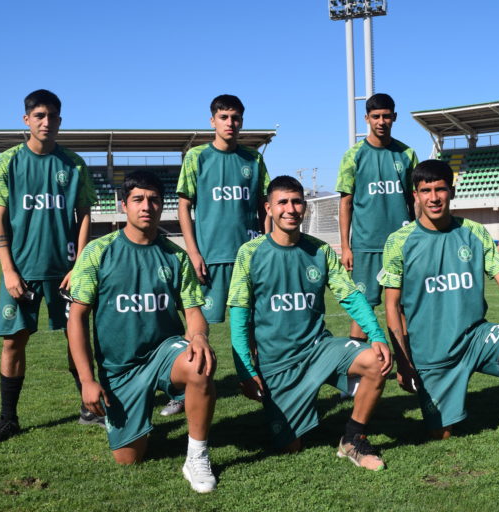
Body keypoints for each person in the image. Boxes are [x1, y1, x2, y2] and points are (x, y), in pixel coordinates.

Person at [379, 159, 499, 464]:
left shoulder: (475, 232)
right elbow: (392, 306)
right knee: (441, 436)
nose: (434, 197)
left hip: (475, 336)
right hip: (432, 352)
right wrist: (404, 362)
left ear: (451, 191)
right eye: (426, 191)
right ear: (415, 196)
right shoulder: (399, 242)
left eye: (440, 189)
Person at [67, 170, 218, 493]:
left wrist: (200, 336)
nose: (146, 206)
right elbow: (76, 319)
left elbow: (193, 312)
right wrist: (87, 380)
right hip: (120, 370)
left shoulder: (175, 255)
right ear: (124, 206)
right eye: (137, 199)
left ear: (162, 206)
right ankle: (137, 416)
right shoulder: (98, 252)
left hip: (165, 353)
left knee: (200, 363)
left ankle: (197, 456)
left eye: (153, 200)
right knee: (128, 459)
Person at [227, 175, 391, 470]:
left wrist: (376, 335)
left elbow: (351, 296)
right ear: (268, 208)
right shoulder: (249, 254)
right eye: (283, 202)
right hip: (278, 364)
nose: (290, 209)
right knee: (290, 448)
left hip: (319, 349)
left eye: (296, 201)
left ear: (305, 207)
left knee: (375, 361)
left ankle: (352, 439)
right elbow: (239, 318)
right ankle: (296, 407)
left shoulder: (320, 251)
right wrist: (245, 372)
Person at [0, 89, 101, 446]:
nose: (46, 123)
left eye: (53, 117)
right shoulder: (8, 162)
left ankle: (89, 407)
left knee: (75, 337)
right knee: (13, 343)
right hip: (22, 269)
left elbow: (84, 214)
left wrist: (79, 264)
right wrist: (8, 270)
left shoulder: (74, 164)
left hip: (65, 271)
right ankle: (8, 419)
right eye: (39, 116)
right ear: (27, 120)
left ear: (60, 121)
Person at [167, 94, 270, 416]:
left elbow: (265, 204)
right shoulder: (197, 157)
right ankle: (184, 391)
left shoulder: (253, 159)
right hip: (210, 258)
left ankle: (260, 381)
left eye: (236, 117)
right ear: (212, 121)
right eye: (224, 117)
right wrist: (193, 251)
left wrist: (265, 242)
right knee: (198, 328)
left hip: (247, 258)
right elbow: (184, 205)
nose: (231, 123)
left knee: (255, 325)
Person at [335, 93, 418, 355]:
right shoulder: (354, 156)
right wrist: (346, 248)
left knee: (403, 306)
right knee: (363, 308)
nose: (381, 121)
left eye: (386, 116)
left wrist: (419, 238)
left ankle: (408, 365)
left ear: (394, 117)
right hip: (366, 246)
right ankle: (355, 371)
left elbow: (414, 200)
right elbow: (346, 203)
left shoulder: (406, 154)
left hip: (401, 246)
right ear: (367, 119)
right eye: (375, 116)